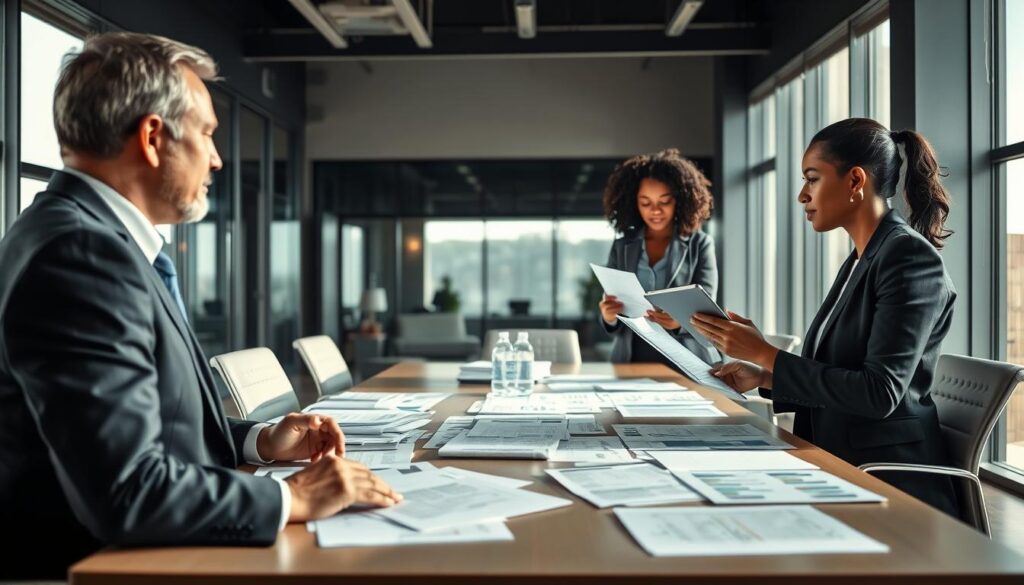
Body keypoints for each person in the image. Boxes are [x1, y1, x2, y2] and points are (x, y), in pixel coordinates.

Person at [0, 33, 399, 580]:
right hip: (115, 567)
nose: (216, 159)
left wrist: (260, 440)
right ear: (153, 137)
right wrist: (294, 500)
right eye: (208, 134)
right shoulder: (82, 254)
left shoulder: (91, 239)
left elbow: (157, 428)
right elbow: (126, 491)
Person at [690, 118, 958, 516]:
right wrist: (765, 376)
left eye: (812, 179)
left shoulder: (907, 258)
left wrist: (767, 355)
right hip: (839, 462)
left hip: (888, 486)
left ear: (854, 181)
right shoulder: (861, 258)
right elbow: (839, 373)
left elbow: (878, 392)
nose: (802, 195)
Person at [598, 148, 720, 366]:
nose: (655, 210)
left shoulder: (700, 244)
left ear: (680, 200)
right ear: (633, 202)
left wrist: (679, 323)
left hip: (687, 361)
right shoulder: (622, 246)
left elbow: (709, 315)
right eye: (645, 202)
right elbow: (613, 318)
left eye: (664, 202)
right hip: (632, 361)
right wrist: (608, 315)